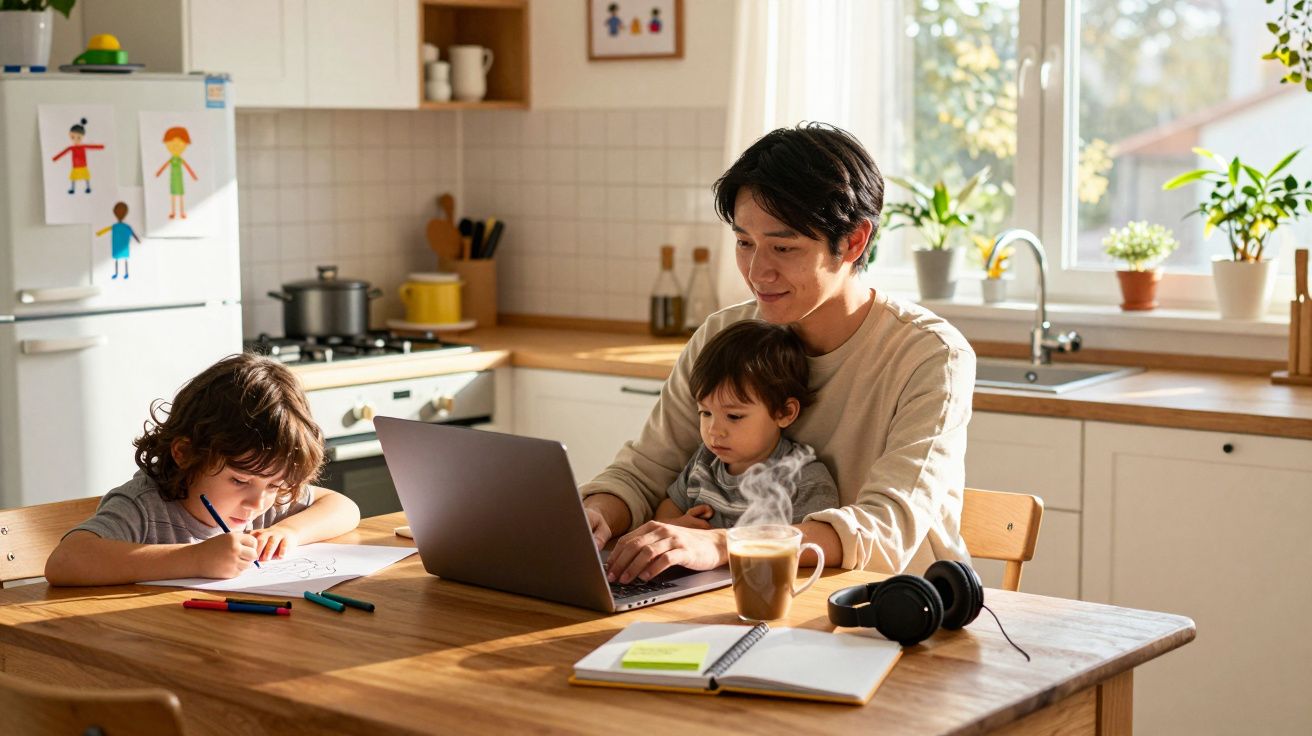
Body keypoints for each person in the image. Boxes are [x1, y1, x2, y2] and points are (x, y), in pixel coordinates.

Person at [582, 122, 976, 585]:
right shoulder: (723, 333)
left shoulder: (929, 356)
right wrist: (595, 515)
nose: (756, 271)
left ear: (853, 241)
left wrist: (726, 544)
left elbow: (886, 530)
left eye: (783, 247)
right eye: (744, 242)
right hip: (738, 600)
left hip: (893, 610)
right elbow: (646, 472)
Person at [45, 353, 361, 586]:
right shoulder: (146, 506)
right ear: (185, 454)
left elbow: (343, 508)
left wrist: (288, 532)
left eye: (275, 485)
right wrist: (194, 559)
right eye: (239, 480)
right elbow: (65, 561)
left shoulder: (262, 498)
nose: (257, 503)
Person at [654, 319, 838, 530]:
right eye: (705, 413)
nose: (714, 430)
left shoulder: (804, 479)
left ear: (785, 412)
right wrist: (675, 525)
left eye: (733, 416)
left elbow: (816, 540)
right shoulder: (704, 461)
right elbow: (670, 505)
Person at [153, 126, 198, 219]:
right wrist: (159, 172)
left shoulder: (180, 159)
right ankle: (173, 212)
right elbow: (164, 166)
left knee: (180, 195)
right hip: (173, 179)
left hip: (179, 179)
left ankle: (182, 212)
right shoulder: (172, 159)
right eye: (171, 143)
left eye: (180, 143)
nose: (175, 146)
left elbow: (188, 167)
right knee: (173, 195)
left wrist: (193, 175)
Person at [51, 118, 105, 195]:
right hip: (75, 166)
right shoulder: (71, 148)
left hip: (83, 166)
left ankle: (88, 187)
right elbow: (63, 152)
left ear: (82, 137)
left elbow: (93, 146)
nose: (75, 140)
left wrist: (102, 146)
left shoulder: (83, 146)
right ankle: (73, 189)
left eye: (78, 137)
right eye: (73, 137)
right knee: (73, 178)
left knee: (86, 177)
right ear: (70, 135)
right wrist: (55, 158)